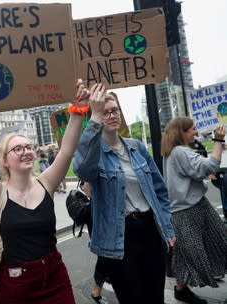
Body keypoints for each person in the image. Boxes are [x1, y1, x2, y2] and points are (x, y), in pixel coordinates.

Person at [0, 79, 90, 303]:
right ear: (4, 161)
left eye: (29, 147)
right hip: (16, 286)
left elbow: (67, 151)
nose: (26, 152)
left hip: (54, 277)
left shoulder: (46, 182)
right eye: (17, 149)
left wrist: (78, 110)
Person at [73, 84, 175, 304]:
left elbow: (160, 190)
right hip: (120, 237)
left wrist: (166, 225)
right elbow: (81, 168)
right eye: (105, 111)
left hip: (150, 231)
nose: (111, 115)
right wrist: (95, 116)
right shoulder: (96, 153)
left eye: (115, 110)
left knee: (155, 297)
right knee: (132, 298)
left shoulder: (137, 147)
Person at [161, 117, 227, 304]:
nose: (196, 132)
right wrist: (218, 141)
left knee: (185, 253)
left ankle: (181, 290)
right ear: (181, 132)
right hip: (189, 210)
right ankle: (182, 291)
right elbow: (209, 166)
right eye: (192, 129)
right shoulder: (181, 152)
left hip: (188, 209)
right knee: (217, 244)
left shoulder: (172, 152)